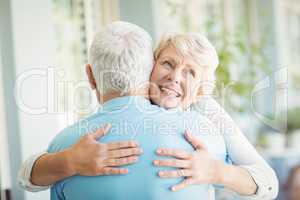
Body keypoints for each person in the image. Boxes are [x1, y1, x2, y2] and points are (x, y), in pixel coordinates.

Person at [18, 21, 278, 199]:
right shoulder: (106, 120)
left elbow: (269, 183)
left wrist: (216, 171)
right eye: (168, 64)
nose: (175, 77)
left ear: (201, 88)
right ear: (148, 66)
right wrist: (70, 161)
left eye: (190, 72)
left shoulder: (206, 112)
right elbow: (28, 175)